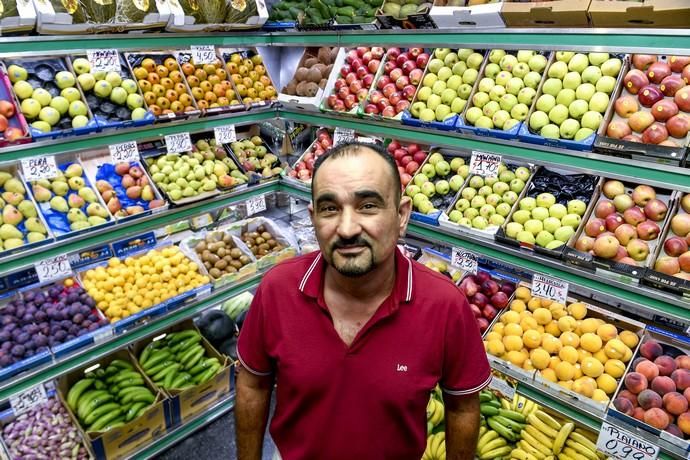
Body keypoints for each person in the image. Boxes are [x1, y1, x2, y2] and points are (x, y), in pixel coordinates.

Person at [235, 141, 491, 460]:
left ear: (401, 215)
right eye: (330, 208)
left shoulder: (444, 304)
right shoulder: (278, 288)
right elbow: (253, 384)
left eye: (367, 206)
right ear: (313, 218)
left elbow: (462, 406)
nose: (346, 228)